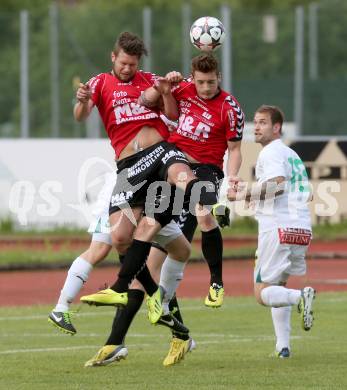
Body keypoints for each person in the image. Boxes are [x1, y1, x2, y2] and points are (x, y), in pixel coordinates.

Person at [84, 53, 244, 368]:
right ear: (191, 78)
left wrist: (234, 177)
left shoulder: (230, 107)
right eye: (200, 82)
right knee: (137, 239)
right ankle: (148, 333)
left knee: (159, 256)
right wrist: (165, 88)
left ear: (220, 79)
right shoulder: (181, 89)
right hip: (167, 174)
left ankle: (208, 291)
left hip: (199, 175)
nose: (206, 88)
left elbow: (235, 149)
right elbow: (147, 101)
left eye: (211, 82)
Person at [77, 32, 226, 322]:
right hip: (128, 167)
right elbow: (81, 115)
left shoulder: (149, 78)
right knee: (122, 238)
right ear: (113, 57)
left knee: (179, 172)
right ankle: (152, 294)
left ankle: (209, 203)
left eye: (132, 64)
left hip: (158, 150)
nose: (127, 69)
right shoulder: (99, 82)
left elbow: (171, 112)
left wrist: (166, 90)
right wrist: (82, 101)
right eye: (123, 63)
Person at [48, 171, 191, 338]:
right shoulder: (144, 149)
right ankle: (61, 308)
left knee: (182, 250)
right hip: (120, 196)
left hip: (148, 199)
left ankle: (160, 304)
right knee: (100, 250)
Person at [227, 105, 316, 358]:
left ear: (276, 127)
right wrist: (256, 197)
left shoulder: (271, 152)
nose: (256, 127)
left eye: (263, 122)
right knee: (279, 285)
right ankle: (283, 346)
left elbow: (276, 186)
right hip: (301, 229)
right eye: (255, 122)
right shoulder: (291, 155)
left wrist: (243, 193)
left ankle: (301, 297)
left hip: (277, 229)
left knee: (262, 292)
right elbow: (305, 194)